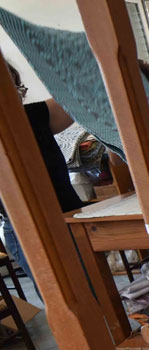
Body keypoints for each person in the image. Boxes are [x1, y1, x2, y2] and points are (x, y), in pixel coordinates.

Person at [0, 63, 83, 299]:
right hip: (28, 229)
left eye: (16, 89)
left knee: (95, 294)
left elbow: (79, 92)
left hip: (71, 217)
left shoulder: (33, 116)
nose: (15, 96)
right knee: (65, 301)